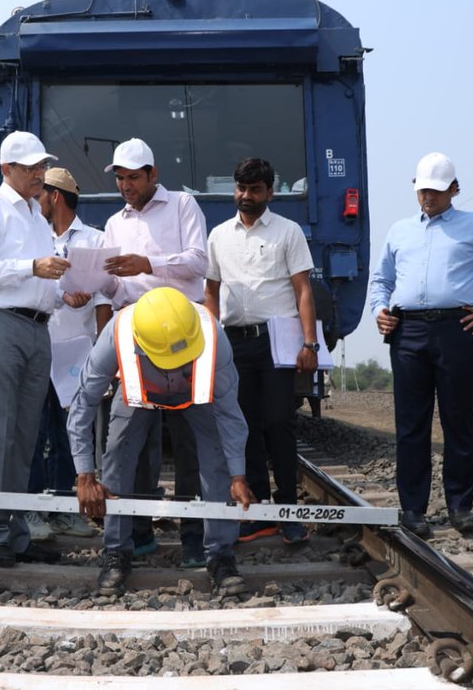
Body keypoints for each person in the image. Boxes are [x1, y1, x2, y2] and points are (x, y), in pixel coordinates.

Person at [368, 153, 473, 539]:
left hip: (457, 330)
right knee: (411, 424)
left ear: (454, 189)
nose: (428, 197)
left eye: (437, 191)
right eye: (423, 190)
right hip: (407, 332)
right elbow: (381, 280)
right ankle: (413, 509)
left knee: (458, 421)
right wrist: (380, 309)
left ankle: (460, 506)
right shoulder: (399, 231)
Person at [67, 287, 254, 596]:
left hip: (194, 395)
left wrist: (237, 475)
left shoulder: (213, 336)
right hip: (138, 393)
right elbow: (83, 403)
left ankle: (220, 555)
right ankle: (116, 551)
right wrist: (85, 474)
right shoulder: (116, 333)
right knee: (117, 455)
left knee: (216, 458)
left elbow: (229, 414)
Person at [0, 130, 69, 567]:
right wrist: (33, 267)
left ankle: (16, 533)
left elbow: (35, 279)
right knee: (0, 432)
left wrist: (62, 293)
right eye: (31, 167)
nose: (40, 173)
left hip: (36, 328)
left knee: (25, 436)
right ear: (6, 169)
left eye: (42, 166)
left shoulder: (37, 216)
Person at [100, 137, 210, 567]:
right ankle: (134, 536)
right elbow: (118, 288)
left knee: (190, 440)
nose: (126, 186)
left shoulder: (183, 205)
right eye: (120, 178)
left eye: (133, 177)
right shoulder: (114, 223)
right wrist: (96, 282)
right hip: (136, 337)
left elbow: (199, 262)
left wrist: (148, 264)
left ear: (153, 175)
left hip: (185, 336)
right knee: (131, 442)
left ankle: (195, 538)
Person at [205, 157, 319, 545]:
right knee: (245, 426)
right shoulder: (219, 235)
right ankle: (258, 514)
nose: (246, 196)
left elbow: (303, 290)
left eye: (255, 190)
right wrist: (211, 338)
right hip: (234, 341)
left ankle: (288, 511)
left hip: (277, 341)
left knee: (279, 423)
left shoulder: (288, 232)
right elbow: (211, 291)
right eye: (241, 189)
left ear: (270, 193)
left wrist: (309, 343)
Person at [26, 166, 110, 540]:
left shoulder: (94, 240)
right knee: (32, 431)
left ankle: (63, 509)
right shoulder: (33, 237)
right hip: (36, 346)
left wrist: (104, 356)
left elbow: (104, 299)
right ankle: (31, 509)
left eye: (39, 194)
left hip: (77, 356)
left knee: (68, 434)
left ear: (55, 195)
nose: (35, 201)